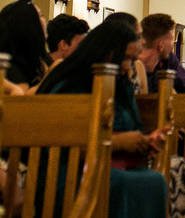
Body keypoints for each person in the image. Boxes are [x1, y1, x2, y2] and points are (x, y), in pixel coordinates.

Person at [38, 20, 170, 218]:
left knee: (155, 181)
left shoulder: (120, 83)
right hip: (68, 170)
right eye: (125, 59)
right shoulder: (70, 82)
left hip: (108, 164)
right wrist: (116, 142)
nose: (129, 68)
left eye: (132, 60)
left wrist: (145, 140)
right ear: (106, 52)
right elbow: (61, 142)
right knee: (126, 183)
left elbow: (131, 126)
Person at [0, 0, 52, 91]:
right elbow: (21, 98)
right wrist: (51, 77)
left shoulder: (42, 59)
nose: (44, 21)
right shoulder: (8, 67)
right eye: (40, 16)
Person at [140, 13, 185, 94]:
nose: (172, 45)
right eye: (171, 40)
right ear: (161, 46)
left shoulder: (169, 60)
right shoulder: (133, 64)